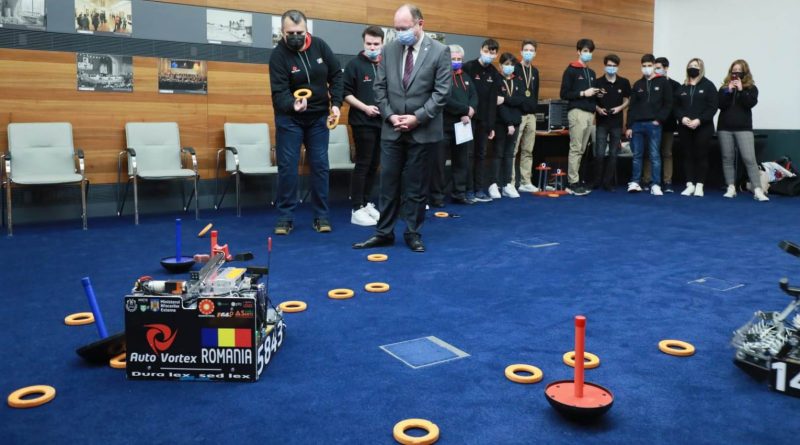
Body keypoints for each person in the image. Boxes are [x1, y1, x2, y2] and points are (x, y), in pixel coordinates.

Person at [352, 4, 451, 253]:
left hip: (423, 130)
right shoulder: (390, 49)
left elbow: (441, 93)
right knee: (388, 184)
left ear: (420, 24)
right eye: (396, 29)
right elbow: (379, 88)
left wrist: (417, 117)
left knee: (416, 187)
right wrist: (390, 115)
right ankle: (384, 233)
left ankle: (412, 232)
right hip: (392, 128)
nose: (400, 33)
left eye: (404, 28)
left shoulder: (440, 51)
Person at [269, 9, 343, 234]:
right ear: (282, 32)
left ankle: (321, 216)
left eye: (299, 32)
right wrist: (293, 104)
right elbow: (279, 92)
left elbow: (337, 75)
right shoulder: (278, 56)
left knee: (320, 166)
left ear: (306, 30)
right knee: (288, 168)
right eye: (290, 33)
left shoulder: (320, 46)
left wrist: (336, 104)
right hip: (290, 119)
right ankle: (285, 217)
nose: (295, 36)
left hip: (318, 118)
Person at [344, 26, 385, 226]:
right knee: (363, 163)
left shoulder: (385, 65)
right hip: (362, 122)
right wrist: (365, 108)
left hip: (382, 123)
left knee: (375, 163)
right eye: (369, 43)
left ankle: (367, 203)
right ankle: (357, 208)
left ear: (382, 44)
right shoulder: (354, 65)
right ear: (363, 43)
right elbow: (346, 93)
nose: (372, 47)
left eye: (376, 44)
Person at [430, 44, 477, 206]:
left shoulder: (466, 77)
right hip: (443, 125)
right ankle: (437, 196)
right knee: (439, 163)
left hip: (462, 126)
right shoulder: (440, 76)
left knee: (462, 161)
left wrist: (471, 110)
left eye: (459, 59)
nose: (456, 61)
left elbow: (474, 96)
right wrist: (464, 110)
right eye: (453, 59)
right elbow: (444, 99)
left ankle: (459, 193)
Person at [717, 59, 767, 201]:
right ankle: (730, 187)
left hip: (743, 128)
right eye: (734, 70)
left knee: (749, 158)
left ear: (745, 72)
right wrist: (729, 90)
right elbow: (720, 104)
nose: (736, 73)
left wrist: (741, 89)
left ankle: (757, 189)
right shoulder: (724, 88)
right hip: (724, 128)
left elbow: (750, 103)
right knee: (727, 158)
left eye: (739, 70)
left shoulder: (751, 88)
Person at [625, 54, 672, 195]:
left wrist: (659, 120)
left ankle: (656, 184)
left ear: (654, 65)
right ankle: (635, 182)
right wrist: (629, 126)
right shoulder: (637, 84)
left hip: (654, 124)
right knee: (637, 155)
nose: (646, 68)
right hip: (637, 125)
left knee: (654, 155)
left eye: (649, 66)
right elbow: (632, 107)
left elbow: (668, 104)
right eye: (644, 66)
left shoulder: (663, 82)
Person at [462, 39, 501, 203]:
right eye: (486, 51)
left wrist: (491, 125)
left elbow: (493, 102)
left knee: (481, 154)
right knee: (467, 154)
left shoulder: (495, 73)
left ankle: (479, 189)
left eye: (492, 53)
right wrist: (463, 112)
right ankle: (468, 189)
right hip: (468, 119)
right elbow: (463, 93)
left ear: (496, 54)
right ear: (481, 50)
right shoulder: (468, 67)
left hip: (484, 122)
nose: (489, 55)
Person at [560, 38, 598, 196]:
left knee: (582, 149)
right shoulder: (571, 70)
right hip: (577, 112)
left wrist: (596, 95)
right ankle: (572, 183)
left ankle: (577, 180)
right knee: (576, 148)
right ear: (578, 52)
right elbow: (564, 94)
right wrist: (583, 93)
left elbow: (591, 95)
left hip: (589, 114)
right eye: (585, 51)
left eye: (590, 51)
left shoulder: (591, 72)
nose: (588, 54)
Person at [676, 58, 718, 197]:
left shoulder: (708, 85)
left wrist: (699, 120)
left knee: (701, 155)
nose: (692, 68)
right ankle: (690, 185)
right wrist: (682, 118)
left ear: (701, 69)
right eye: (690, 65)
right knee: (687, 155)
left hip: (703, 127)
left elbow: (712, 107)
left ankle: (700, 185)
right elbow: (676, 106)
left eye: (695, 66)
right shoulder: (682, 87)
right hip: (684, 127)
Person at [488, 53, 524, 199]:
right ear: (500, 65)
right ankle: (494, 184)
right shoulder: (496, 80)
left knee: (510, 154)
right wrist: (508, 123)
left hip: (515, 122)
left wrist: (505, 99)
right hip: (501, 123)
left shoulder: (518, 80)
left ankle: (507, 184)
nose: (509, 67)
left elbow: (520, 100)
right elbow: (498, 105)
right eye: (506, 64)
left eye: (512, 65)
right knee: (498, 153)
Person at [642, 57, 681, 192]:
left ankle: (667, 181)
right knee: (650, 152)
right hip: (651, 123)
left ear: (666, 68)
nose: (655, 70)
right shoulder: (649, 82)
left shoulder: (675, 85)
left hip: (667, 124)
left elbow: (675, 105)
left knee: (667, 153)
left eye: (658, 68)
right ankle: (647, 180)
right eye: (655, 67)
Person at [592, 54, 630, 191]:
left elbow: (628, 100)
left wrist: (620, 108)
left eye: (614, 66)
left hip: (616, 123)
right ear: (605, 66)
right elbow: (592, 101)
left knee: (613, 154)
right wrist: (598, 109)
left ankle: (607, 183)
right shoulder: (597, 82)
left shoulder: (624, 82)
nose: (611, 68)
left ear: (617, 67)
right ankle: (597, 181)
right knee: (600, 153)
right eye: (609, 65)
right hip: (601, 122)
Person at [512, 39, 541, 193]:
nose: (528, 52)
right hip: (518, 114)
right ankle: (510, 182)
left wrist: (534, 111)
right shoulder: (515, 68)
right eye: (526, 50)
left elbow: (535, 93)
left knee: (528, 150)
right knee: (513, 150)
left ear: (535, 53)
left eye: (531, 50)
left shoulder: (535, 71)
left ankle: (525, 181)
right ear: (521, 52)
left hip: (531, 115)